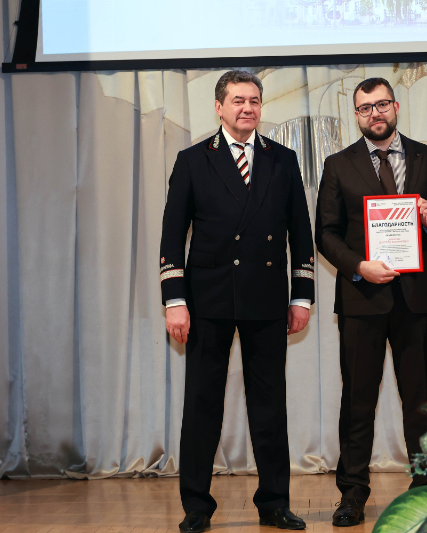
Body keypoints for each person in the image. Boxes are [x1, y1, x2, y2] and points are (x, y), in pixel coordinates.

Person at [159, 70, 314, 532]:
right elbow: (172, 236)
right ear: (219, 107)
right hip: (208, 301)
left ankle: (274, 503)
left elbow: (300, 233)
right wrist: (174, 300)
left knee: (269, 406)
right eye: (238, 101)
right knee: (201, 406)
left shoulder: (283, 159)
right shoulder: (192, 160)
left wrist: (302, 296)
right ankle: (196, 507)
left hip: (266, 299)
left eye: (254, 101)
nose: (247, 108)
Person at [315, 77, 427, 527]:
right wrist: (359, 265)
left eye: (381, 105)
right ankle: (352, 493)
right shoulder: (338, 164)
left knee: (421, 400)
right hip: (361, 299)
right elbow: (325, 234)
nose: (374, 114)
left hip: (415, 300)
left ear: (395, 106)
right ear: (356, 115)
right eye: (365, 108)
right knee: (358, 402)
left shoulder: (426, 157)